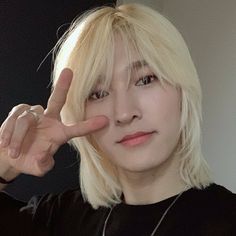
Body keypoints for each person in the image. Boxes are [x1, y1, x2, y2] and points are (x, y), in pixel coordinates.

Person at [0, 3, 235, 236]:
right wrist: (6, 161)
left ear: (183, 89)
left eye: (145, 80)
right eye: (98, 93)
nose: (124, 113)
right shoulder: (57, 218)